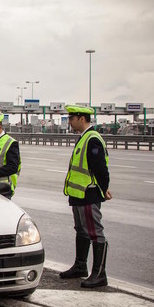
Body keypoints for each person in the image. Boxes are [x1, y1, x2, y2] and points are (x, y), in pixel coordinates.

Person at [60, 105, 113, 288]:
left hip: (89, 194)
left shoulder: (92, 139)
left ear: (81, 118)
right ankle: (80, 266)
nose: (70, 122)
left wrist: (103, 189)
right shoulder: (83, 138)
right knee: (81, 229)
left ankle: (99, 274)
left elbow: (100, 169)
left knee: (95, 232)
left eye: (71, 118)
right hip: (78, 194)